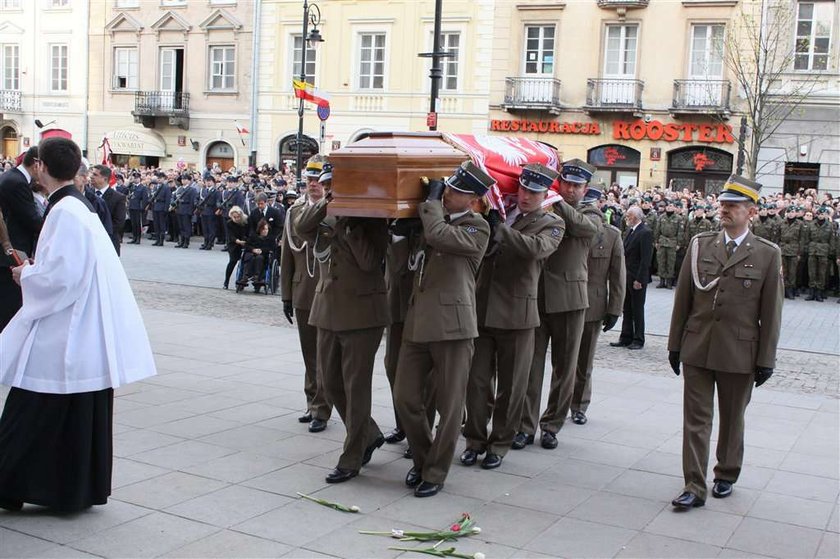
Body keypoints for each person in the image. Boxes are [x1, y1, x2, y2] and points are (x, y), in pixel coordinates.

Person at [0, 137, 156, 512]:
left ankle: (10, 484)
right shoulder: (76, 206)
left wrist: (27, 276)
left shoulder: (65, 212)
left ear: (40, 167)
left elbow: (62, 277)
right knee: (69, 414)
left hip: (65, 333)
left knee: (30, 409)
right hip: (81, 329)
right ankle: (71, 490)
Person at [668, 175, 783, 510]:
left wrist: (766, 359)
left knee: (732, 419)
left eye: (733, 205)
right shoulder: (701, 245)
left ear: (752, 212)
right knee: (696, 419)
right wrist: (675, 345)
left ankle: (726, 473)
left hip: (739, 351)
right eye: (723, 204)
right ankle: (693, 484)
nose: (725, 210)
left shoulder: (766, 254)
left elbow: (771, 313)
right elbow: (683, 300)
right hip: (698, 347)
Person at [394, 161, 492, 498]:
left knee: (450, 407)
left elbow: (439, 235)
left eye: (459, 191)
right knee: (405, 397)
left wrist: (431, 203)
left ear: (474, 200)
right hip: (418, 321)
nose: (449, 193)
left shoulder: (477, 228)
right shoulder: (430, 219)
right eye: (449, 187)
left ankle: (435, 472)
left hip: (454, 327)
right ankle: (423, 458)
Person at [461, 163, 564, 470]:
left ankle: (500, 443)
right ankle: (474, 440)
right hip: (483, 310)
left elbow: (535, 249)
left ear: (545, 195)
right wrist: (491, 223)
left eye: (533, 192)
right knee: (476, 383)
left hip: (518, 315)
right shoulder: (502, 212)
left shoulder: (552, 223)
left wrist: (500, 231)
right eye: (523, 190)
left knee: (512, 385)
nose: (526, 197)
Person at [295, 169, 390, 485]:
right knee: (330, 383)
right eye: (325, 186)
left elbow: (368, 261)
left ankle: (352, 456)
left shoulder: (372, 220)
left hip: (363, 315)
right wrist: (328, 205)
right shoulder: (323, 217)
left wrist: (349, 220)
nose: (327, 189)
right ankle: (370, 433)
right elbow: (301, 227)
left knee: (355, 386)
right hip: (327, 311)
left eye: (333, 185)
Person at [513, 159, 600, 451]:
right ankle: (525, 425)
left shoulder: (591, 212)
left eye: (577, 186)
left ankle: (551, 425)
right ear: (559, 183)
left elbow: (583, 228)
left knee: (565, 367)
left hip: (569, 300)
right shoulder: (545, 208)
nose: (571, 190)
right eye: (566, 184)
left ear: (586, 188)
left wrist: (556, 200)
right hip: (537, 296)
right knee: (530, 366)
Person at [280, 161, 331, 433]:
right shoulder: (294, 211)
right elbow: (287, 255)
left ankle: (323, 408)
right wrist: (285, 295)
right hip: (302, 290)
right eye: (310, 179)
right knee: (308, 352)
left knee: (325, 354)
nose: (314, 184)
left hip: (327, 291)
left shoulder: (333, 209)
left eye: (319, 179)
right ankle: (312, 401)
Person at [570, 185, 625, 425]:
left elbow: (617, 275)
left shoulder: (612, 235)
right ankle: (557, 404)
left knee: (584, 361)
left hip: (593, 305)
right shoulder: (568, 229)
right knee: (563, 361)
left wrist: (614, 309)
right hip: (566, 301)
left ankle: (579, 405)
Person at [0, 147, 42, 332]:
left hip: (9, 250)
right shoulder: (17, 182)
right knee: (9, 309)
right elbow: (32, 219)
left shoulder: (12, 177)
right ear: (36, 164)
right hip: (11, 253)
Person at [612, 205, 653, 350]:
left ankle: (638, 339)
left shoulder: (645, 232)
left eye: (628, 215)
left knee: (637, 309)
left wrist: (640, 280)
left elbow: (645, 259)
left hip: (637, 278)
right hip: (627, 276)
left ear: (635, 217)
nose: (626, 218)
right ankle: (625, 336)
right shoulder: (630, 231)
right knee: (627, 308)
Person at [89, 165, 125, 255]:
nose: (91, 176)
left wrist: (98, 232)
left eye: (95, 174)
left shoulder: (118, 198)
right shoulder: (87, 194)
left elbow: (118, 222)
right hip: (88, 243)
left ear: (104, 178)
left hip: (108, 243)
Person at [238, 219, 274, 289]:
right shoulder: (253, 236)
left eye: (266, 229)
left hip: (263, 255)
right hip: (251, 252)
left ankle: (257, 277)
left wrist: (261, 250)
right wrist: (253, 250)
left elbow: (271, 248)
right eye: (263, 229)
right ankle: (245, 276)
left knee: (259, 258)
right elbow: (247, 245)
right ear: (260, 230)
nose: (265, 231)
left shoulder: (270, 239)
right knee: (249, 257)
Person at [223, 206, 249, 290]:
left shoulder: (245, 221)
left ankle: (241, 281)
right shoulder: (229, 223)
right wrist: (237, 241)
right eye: (234, 217)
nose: (236, 219)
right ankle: (226, 281)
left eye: (238, 217)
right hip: (233, 243)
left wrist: (244, 241)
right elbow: (230, 235)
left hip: (244, 242)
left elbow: (246, 233)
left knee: (246, 261)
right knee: (232, 261)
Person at [175, 174, 198, 249]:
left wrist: (191, 211)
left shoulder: (192, 190)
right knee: (181, 226)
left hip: (187, 208)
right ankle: (181, 241)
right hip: (180, 208)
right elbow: (176, 198)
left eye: (185, 179)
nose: (183, 181)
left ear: (189, 180)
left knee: (186, 226)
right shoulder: (180, 189)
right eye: (182, 179)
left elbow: (192, 201)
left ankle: (186, 241)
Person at [198, 176, 220, 250]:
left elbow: (217, 201)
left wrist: (217, 209)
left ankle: (210, 243)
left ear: (213, 182)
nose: (208, 182)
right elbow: (198, 199)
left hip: (211, 210)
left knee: (211, 228)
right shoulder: (203, 190)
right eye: (207, 181)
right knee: (205, 228)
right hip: (204, 210)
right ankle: (205, 242)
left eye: (210, 181)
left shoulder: (216, 191)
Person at [149, 179, 172, 247]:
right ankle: (157, 239)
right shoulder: (155, 187)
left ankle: (161, 241)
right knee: (156, 224)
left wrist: (166, 209)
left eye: (161, 178)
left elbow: (168, 199)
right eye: (158, 178)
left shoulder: (166, 187)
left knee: (161, 225)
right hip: (155, 207)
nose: (159, 180)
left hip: (162, 207)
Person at [126, 178, 149, 244]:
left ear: (139, 179)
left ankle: (138, 238)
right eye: (134, 177)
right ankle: (134, 237)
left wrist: (143, 207)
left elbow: (145, 199)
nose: (135, 179)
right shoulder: (132, 187)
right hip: (131, 207)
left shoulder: (143, 187)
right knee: (133, 223)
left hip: (138, 207)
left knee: (138, 223)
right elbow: (128, 194)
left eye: (137, 178)